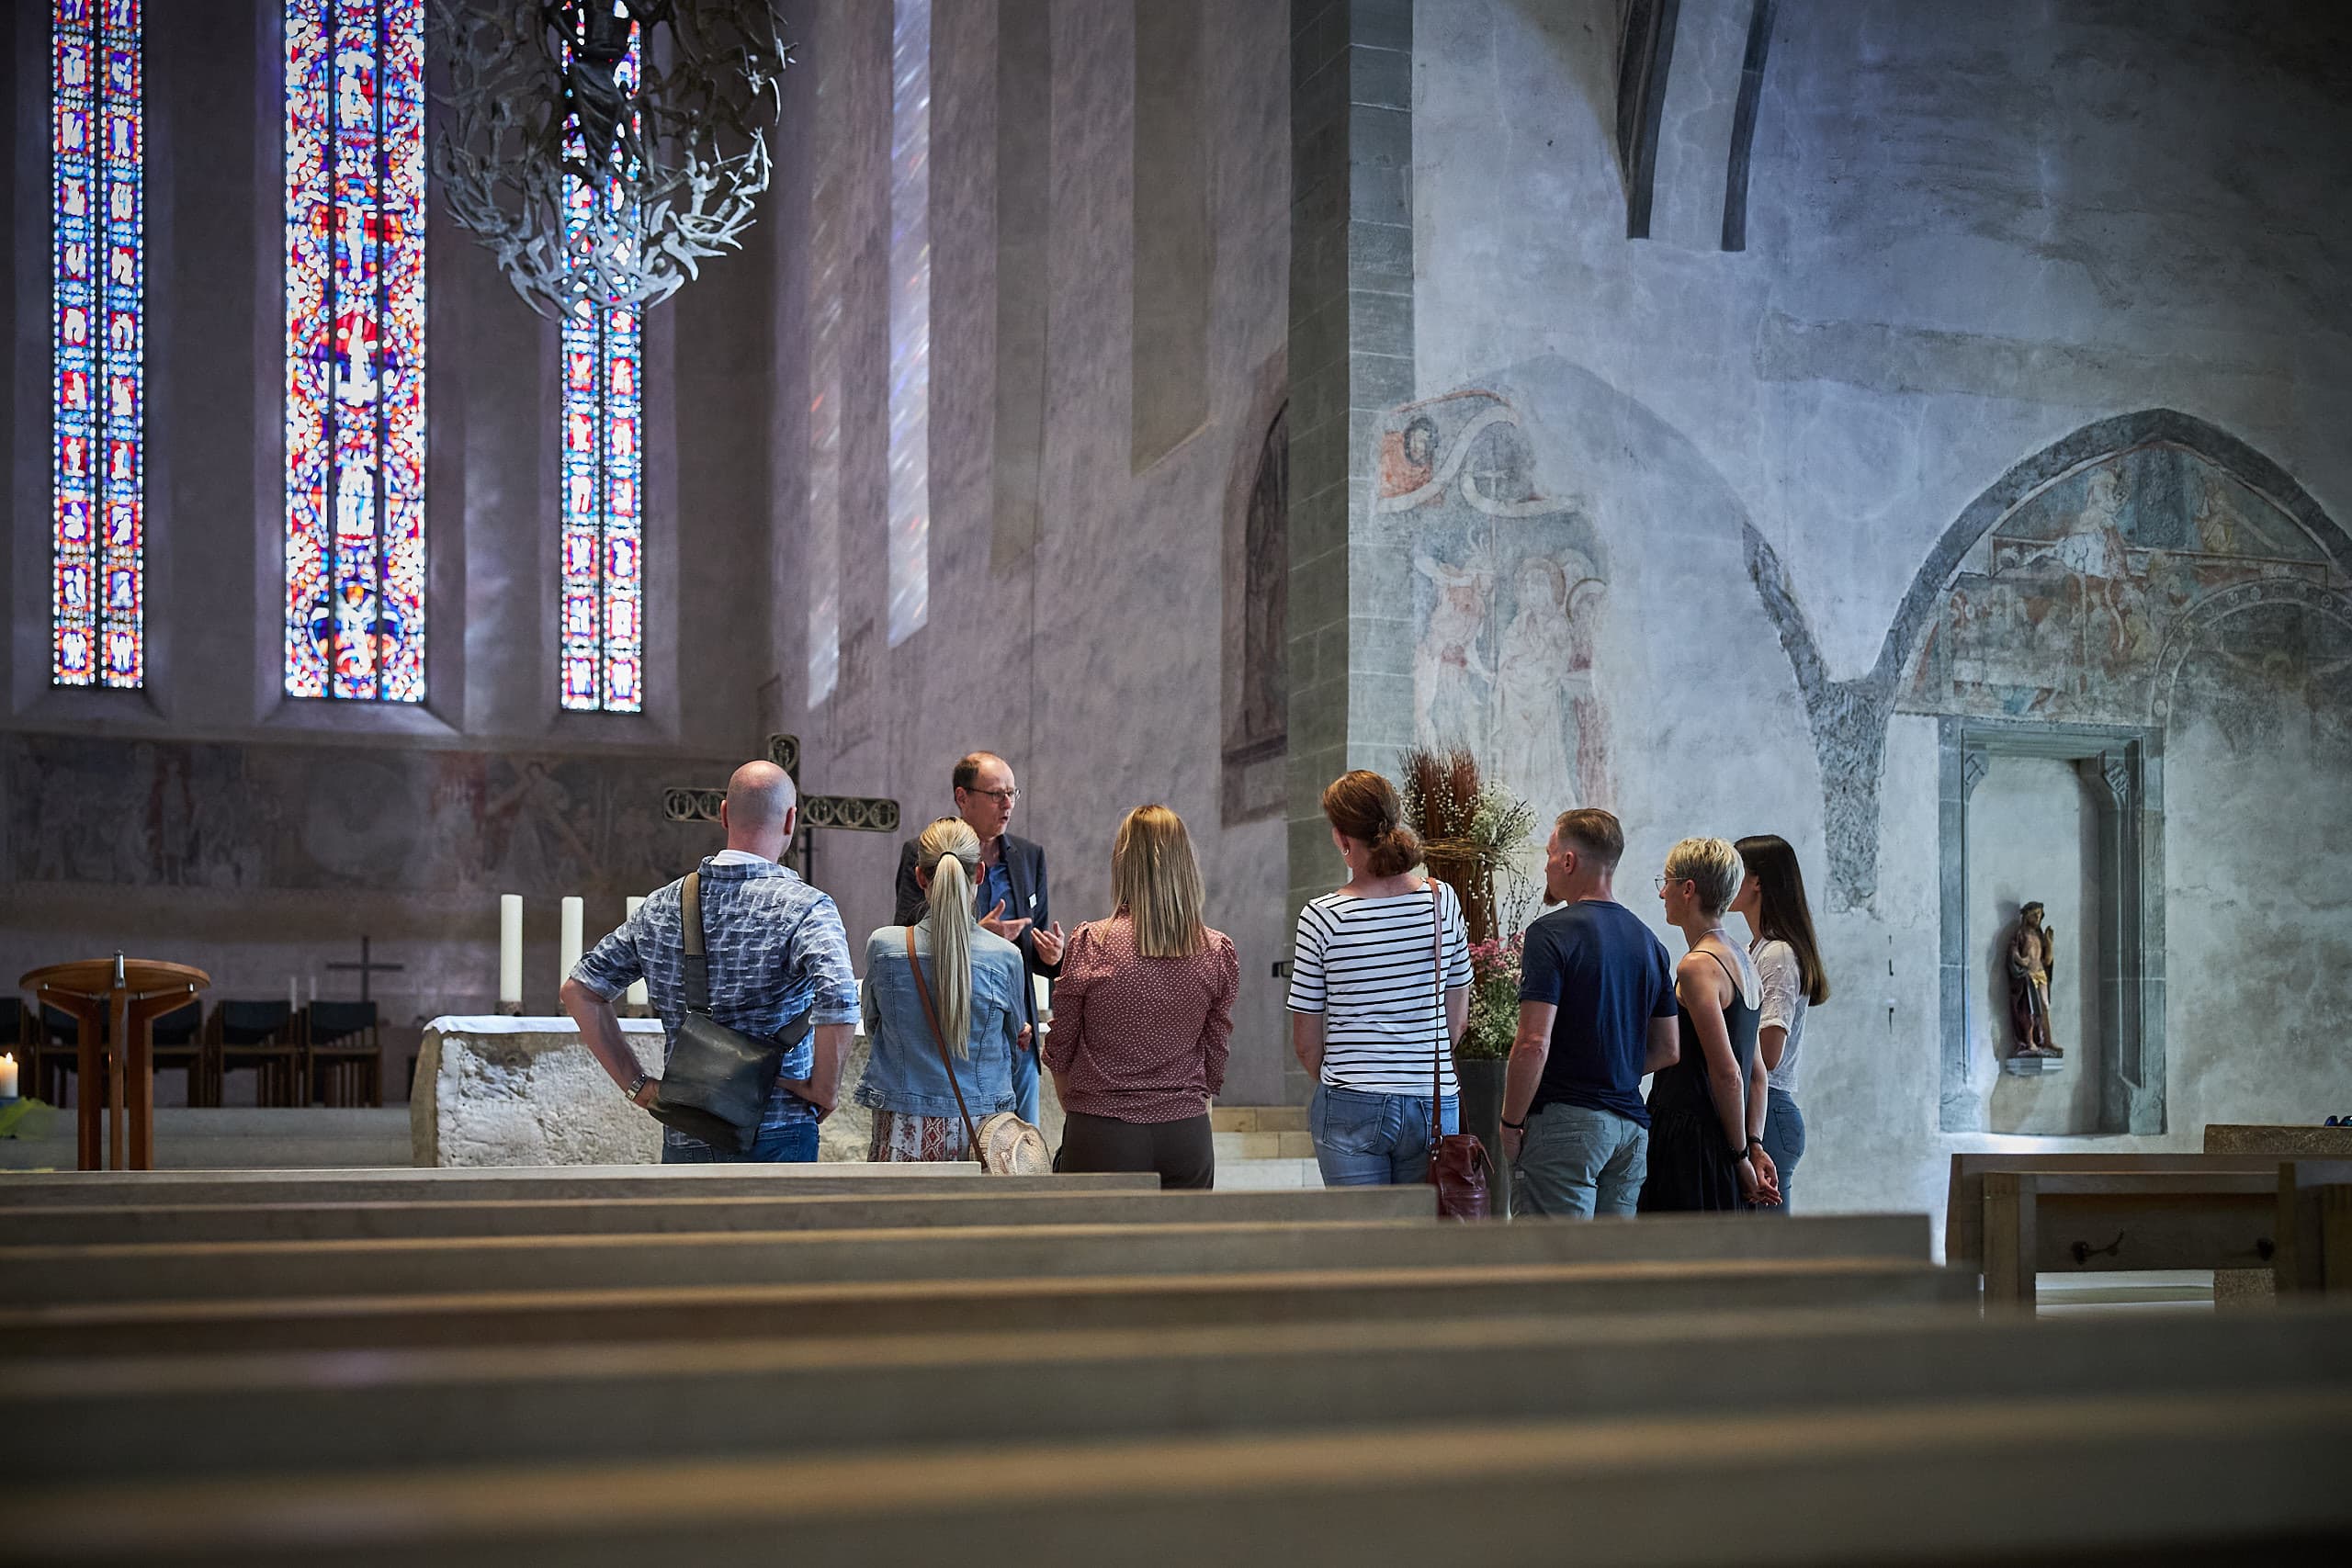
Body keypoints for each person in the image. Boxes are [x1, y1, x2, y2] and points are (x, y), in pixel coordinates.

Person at [563, 761, 859, 1163]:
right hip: (779, 1127)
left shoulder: (662, 906)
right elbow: (840, 998)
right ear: (791, 820)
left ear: (723, 814)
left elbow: (580, 991)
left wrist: (637, 1086)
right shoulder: (809, 908)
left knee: (692, 1228)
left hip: (689, 1126)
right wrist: (824, 1088)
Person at [1287, 771, 1471, 1187]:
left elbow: (1306, 1040)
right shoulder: (1443, 901)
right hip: (1432, 1100)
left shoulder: (1322, 916)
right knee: (1418, 1245)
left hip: (1352, 1099)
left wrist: (1355, 1078)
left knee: (1360, 1243)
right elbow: (1456, 1022)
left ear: (1341, 838)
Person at [1497, 808, 1680, 1218]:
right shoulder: (1649, 942)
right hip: (1631, 1131)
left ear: (1568, 860)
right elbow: (1669, 1048)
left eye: (1549, 853)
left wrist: (1510, 1124)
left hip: (1566, 1127)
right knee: (1607, 1273)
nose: (1545, 865)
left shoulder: (1551, 933)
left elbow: (1532, 1042)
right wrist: (1611, 1069)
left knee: (1552, 1269)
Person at [1045, 805, 1238, 1190]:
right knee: (1182, 1249)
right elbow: (1216, 1057)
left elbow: (1060, 1047)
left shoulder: (1091, 942)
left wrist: (1083, 1108)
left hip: (1102, 1132)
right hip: (1186, 1135)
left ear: (1123, 863)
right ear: (1185, 862)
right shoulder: (1216, 950)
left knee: (1098, 1250)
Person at [895, 751, 1064, 1124]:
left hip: (1017, 1034)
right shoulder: (922, 854)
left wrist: (1053, 958)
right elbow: (907, 931)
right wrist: (974, 938)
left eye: (1012, 793)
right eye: (995, 794)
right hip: (956, 1028)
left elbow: (1032, 947)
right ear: (962, 797)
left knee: (1020, 1153)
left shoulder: (1028, 857)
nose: (1007, 804)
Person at [859, 818, 1030, 1159]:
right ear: (979, 874)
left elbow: (874, 1026)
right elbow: (1011, 1044)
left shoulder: (885, 947)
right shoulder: (1005, 956)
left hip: (901, 1126)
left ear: (920, 876)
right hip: (982, 1134)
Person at [1640, 837, 1778, 1212]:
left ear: (1688, 889)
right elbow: (1757, 1074)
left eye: (1665, 882)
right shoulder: (1744, 960)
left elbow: (1728, 1073)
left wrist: (1740, 1158)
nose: (1661, 893)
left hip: (1691, 1138)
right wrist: (1754, 1145)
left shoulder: (1698, 965)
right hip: (1725, 1135)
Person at [1730, 834, 1832, 1212]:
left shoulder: (1778, 954)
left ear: (1757, 881)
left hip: (1769, 1108)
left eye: (1736, 871)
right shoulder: (1754, 948)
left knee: (1766, 1255)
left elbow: (1769, 1054)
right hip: (1756, 1107)